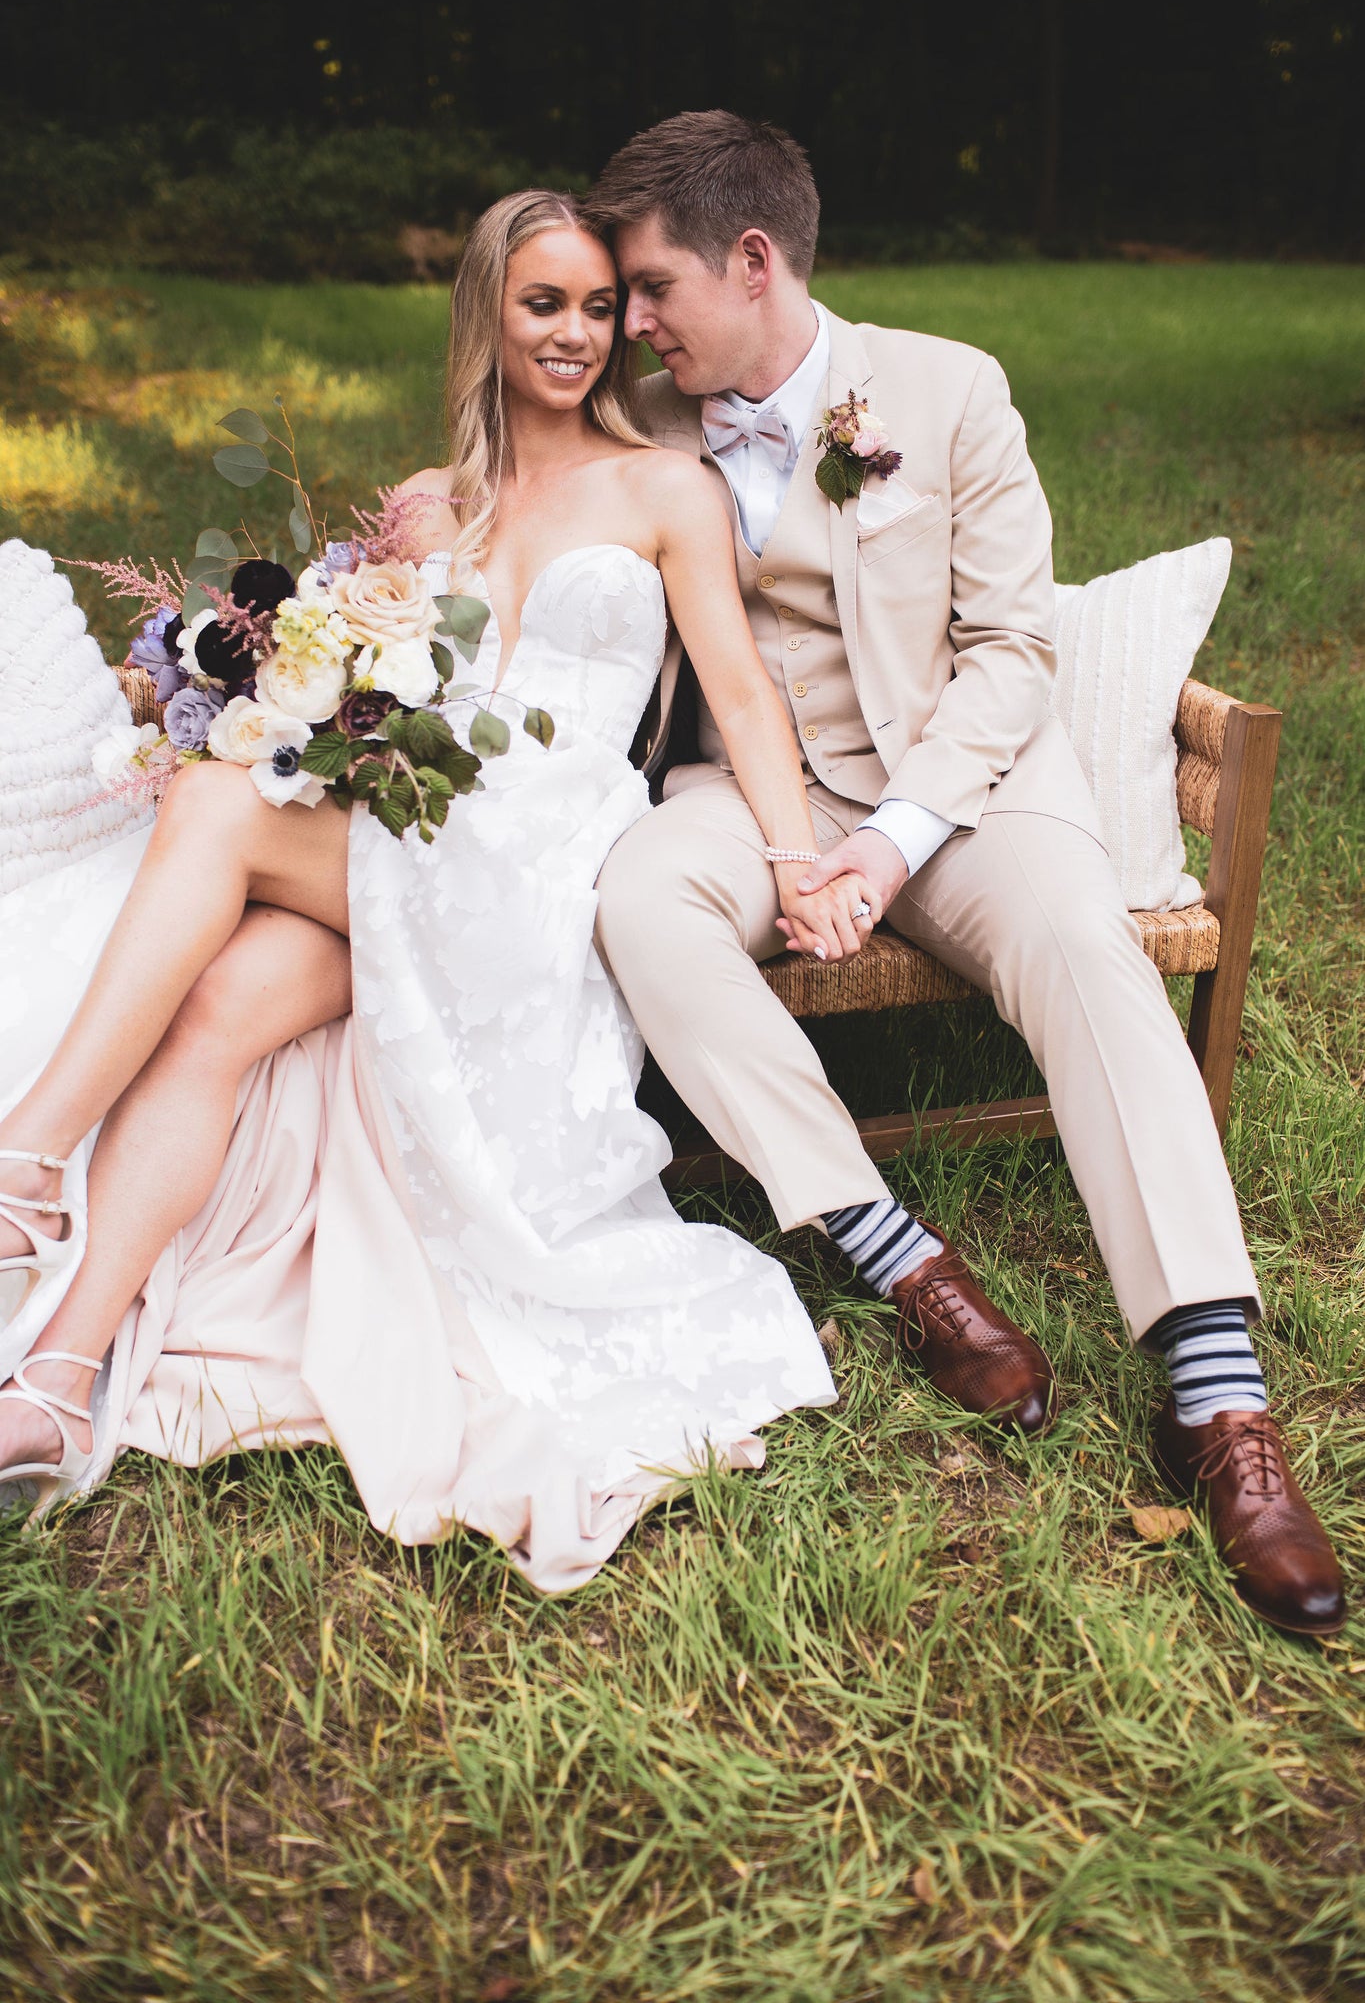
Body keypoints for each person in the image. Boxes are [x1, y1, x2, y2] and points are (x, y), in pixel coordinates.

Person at [0, 189, 863, 1593]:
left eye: (597, 308)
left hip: (545, 849)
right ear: (487, 313)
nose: (577, 334)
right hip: (412, 827)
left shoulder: (664, 488)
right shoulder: (422, 507)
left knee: (221, 804)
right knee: (220, 999)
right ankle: (58, 1371)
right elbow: (365, 688)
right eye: (543, 305)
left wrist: (793, 857)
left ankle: (26, 1162)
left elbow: (743, 696)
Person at [584, 111, 1345, 1638]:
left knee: (1080, 941)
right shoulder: (631, 422)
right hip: (740, 788)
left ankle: (1215, 1395)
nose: (632, 321)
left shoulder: (946, 388)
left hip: (964, 788)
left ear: (752, 260)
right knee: (638, 904)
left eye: (653, 286)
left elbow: (1012, 649)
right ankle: (891, 1248)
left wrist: (888, 841)